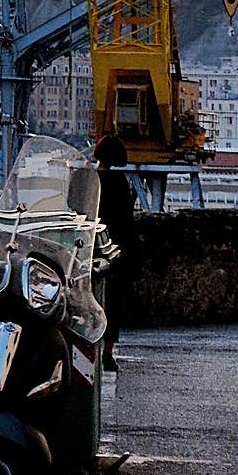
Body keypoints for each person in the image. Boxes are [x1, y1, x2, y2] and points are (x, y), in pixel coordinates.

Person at [93, 132, 140, 370]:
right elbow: (125, 219)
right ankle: (107, 352)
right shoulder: (119, 182)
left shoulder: (87, 178)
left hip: (88, 245)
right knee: (112, 302)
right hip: (111, 247)